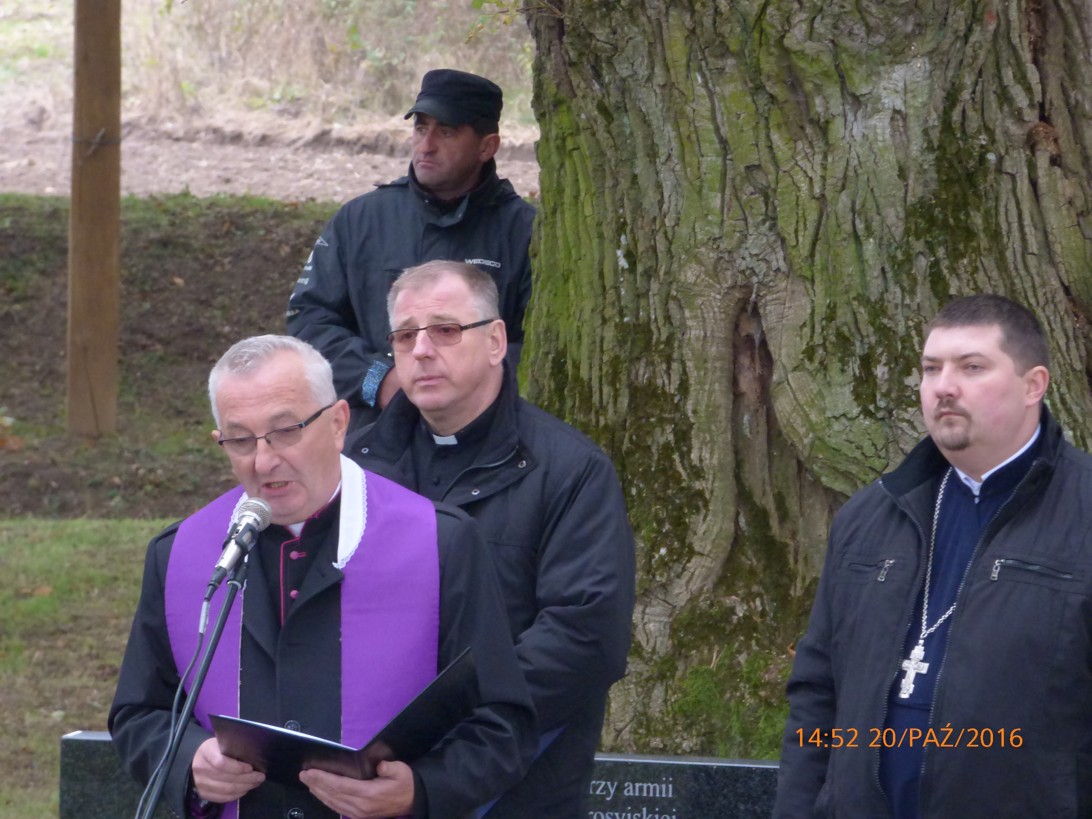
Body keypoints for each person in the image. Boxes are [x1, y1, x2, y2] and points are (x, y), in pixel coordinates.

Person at [109, 335, 535, 819]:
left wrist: (420, 790)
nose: (263, 461)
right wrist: (190, 761)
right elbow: (139, 714)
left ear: (337, 424)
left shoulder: (440, 543)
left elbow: (502, 725)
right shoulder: (181, 554)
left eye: (285, 430)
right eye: (240, 439)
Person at [775, 294, 1092, 817]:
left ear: (1033, 385)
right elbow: (817, 692)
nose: (944, 386)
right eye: (931, 368)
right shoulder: (869, 517)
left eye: (972, 367)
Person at [345, 260, 637, 817]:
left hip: (513, 788)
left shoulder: (571, 471)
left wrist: (433, 743)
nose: (422, 350)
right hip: (365, 776)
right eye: (405, 336)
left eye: (445, 330)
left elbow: (584, 640)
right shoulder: (354, 470)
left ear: (496, 341)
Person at [286, 68, 534, 432]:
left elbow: (540, 346)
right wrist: (378, 379)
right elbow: (308, 318)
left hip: (488, 435)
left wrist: (463, 387)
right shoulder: (360, 220)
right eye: (420, 128)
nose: (426, 145)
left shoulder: (525, 232)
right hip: (373, 433)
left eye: (446, 132)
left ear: (487, 147)